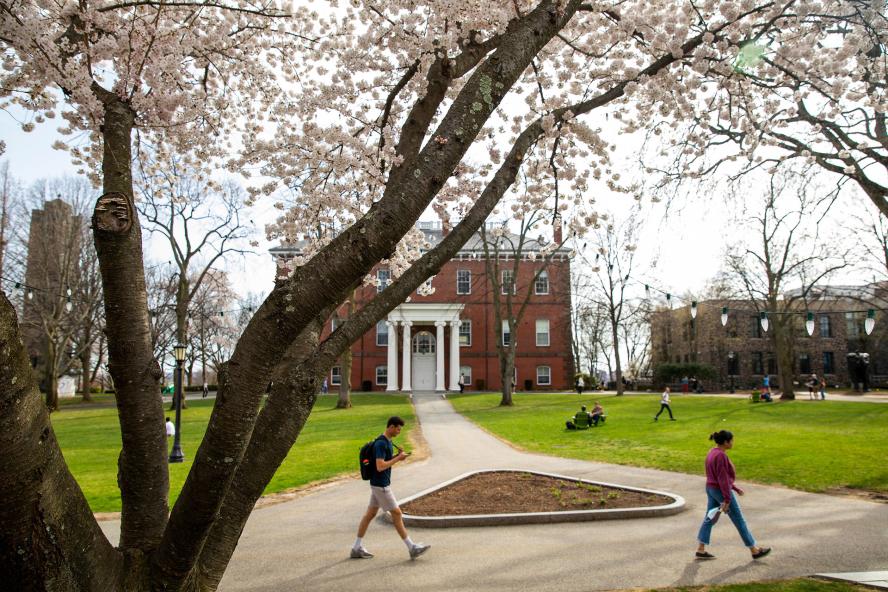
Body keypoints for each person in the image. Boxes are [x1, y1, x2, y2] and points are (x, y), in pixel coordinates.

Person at [351, 416, 430, 560]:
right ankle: (412, 547)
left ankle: (356, 547)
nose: (399, 431)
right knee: (397, 514)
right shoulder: (381, 444)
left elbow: (385, 461)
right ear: (391, 427)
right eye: (398, 429)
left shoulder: (388, 442)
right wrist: (398, 459)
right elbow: (380, 466)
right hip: (381, 485)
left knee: (369, 515)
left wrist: (398, 455)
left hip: (378, 484)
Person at [695, 430, 771, 561]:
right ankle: (754, 550)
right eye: (731, 440)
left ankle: (701, 549)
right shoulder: (721, 456)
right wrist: (727, 499)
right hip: (720, 491)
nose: (732, 443)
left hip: (711, 489)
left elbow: (717, 476)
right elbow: (722, 478)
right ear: (726, 442)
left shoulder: (712, 452)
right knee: (739, 520)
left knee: (710, 517)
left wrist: (734, 488)